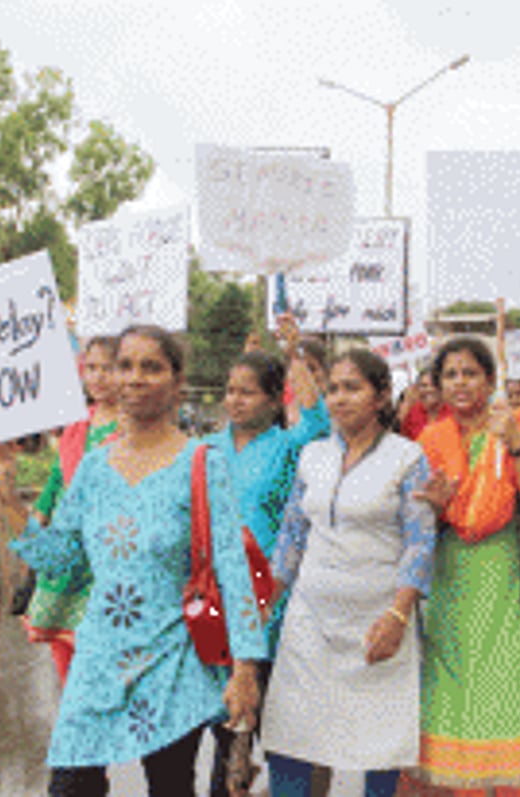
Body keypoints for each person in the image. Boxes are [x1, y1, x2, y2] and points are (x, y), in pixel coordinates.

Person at [10, 325, 266, 797]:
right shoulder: (93, 467)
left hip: (171, 659)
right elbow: (62, 557)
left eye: (151, 367)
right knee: (69, 786)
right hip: (97, 658)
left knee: (170, 787)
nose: (134, 378)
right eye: (125, 366)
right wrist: (8, 502)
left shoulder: (200, 463)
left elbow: (232, 569)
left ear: (177, 380)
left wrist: (246, 670)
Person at [261, 349, 437, 797]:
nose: (340, 398)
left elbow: (420, 543)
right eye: (334, 389)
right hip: (309, 621)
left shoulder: (407, 457)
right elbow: (291, 538)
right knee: (291, 735)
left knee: (378, 744)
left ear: (381, 396)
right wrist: (262, 604)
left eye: (353, 388)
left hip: (378, 624)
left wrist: (398, 616)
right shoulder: (312, 456)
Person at [412, 337, 520, 794]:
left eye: (470, 373)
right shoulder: (429, 441)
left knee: (506, 698)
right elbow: (415, 521)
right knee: (458, 704)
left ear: (489, 380)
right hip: (452, 587)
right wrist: (434, 509)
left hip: (509, 583)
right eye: (450, 375)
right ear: (438, 385)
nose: (460, 383)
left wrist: (517, 443)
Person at [203, 315, 330, 797]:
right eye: (230, 391)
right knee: (225, 728)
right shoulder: (206, 449)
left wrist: (294, 354)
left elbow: (317, 421)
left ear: (275, 400)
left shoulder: (288, 446)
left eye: (248, 392)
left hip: (271, 601)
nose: (235, 400)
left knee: (279, 724)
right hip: (215, 601)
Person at [20, 337, 120, 687]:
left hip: (105, 558)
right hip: (65, 559)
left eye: (107, 368)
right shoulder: (77, 426)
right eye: (91, 368)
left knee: (102, 660)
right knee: (64, 658)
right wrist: (38, 520)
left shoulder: (132, 431)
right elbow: (56, 479)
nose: (98, 377)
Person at [399, 368, 452, 440]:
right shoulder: (411, 412)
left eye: (434, 385)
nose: (429, 389)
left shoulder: (454, 411)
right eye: (424, 386)